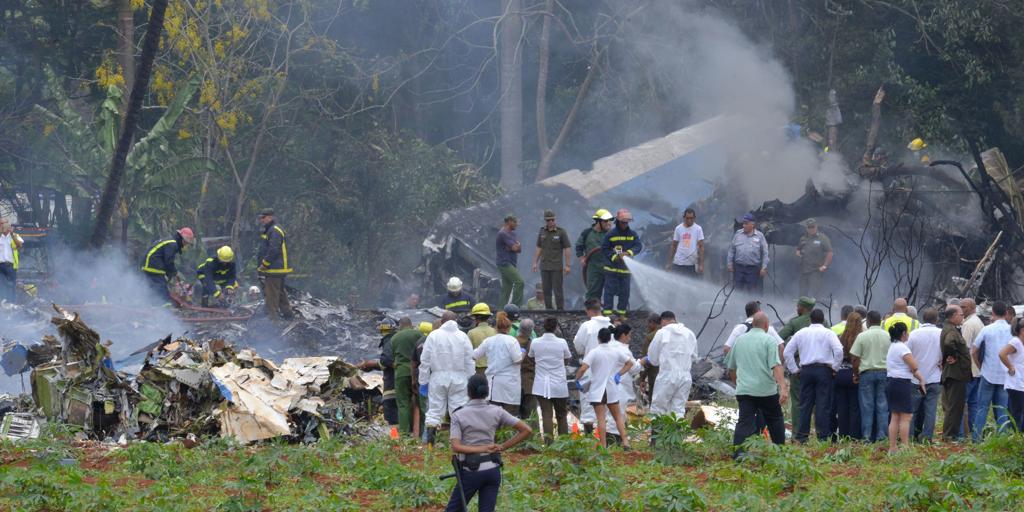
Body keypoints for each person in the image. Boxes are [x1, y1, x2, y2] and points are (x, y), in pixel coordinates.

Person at [444, 374, 532, 512]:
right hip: (492, 470)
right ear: (486, 391)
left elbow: (456, 447)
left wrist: (481, 448)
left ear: (468, 391)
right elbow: (526, 430)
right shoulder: (497, 410)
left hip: (470, 472)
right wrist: (502, 447)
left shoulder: (458, 415)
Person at [726, 312, 788, 451]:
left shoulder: (739, 340)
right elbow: (776, 366)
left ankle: (739, 454)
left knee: (744, 422)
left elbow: (731, 368)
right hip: (766, 390)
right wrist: (783, 387)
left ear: (752, 324)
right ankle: (781, 451)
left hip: (745, 391)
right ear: (766, 325)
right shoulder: (769, 340)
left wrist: (738, 384)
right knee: (775, 419)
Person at [783, 309, 842, 442]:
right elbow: (838, 350)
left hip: (806, 371)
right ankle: (823, 437)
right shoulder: (828, 333)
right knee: (823, 404)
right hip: (824, 371)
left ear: (810, 320)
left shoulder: (801, 333)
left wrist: (794, 370)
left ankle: (802, 437)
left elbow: (787, 352)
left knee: (805, 405)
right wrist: (835, 368)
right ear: (823, 320)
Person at [419, 311, 476, 445]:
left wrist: (423, 381)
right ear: (455, 321)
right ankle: (459, 443)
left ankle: (430, 445)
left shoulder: (433, 335)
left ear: (442, 321)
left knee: (434, 410)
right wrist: (470, 378)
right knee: (459, 410)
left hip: (437, 377)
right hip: (459, 378)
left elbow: (425, 360)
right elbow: (469, 360)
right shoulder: (462, 336)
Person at [575, 327, 635, 449]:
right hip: (612, 388)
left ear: (598, 339)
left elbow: (583, 368)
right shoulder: (616, 351)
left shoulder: (594, 352)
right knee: (618, 416)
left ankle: (603, 445)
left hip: (598, 390)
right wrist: (619, 374)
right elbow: (630, 363)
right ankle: (626, 442)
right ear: (609, 338)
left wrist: (577, 379)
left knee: (601, 419)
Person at [640, 311, 698, 418]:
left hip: (667, 376)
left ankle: (658, 434)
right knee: (678, 409)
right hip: (685, 376)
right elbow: (694, 356)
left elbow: (653, 359)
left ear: (663, 321)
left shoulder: (662, 333)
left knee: (658, 408)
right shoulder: (689, 333)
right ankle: (675, 434)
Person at [971, 301, 1013, 440]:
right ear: (1006, 313)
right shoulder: (1012, 330)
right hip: (1005, 375)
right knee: (1002, 409)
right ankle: (1002, 440)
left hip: (988, 373)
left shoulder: (987, 329)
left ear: (993, 312)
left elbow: (974, 350)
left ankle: (976, 439)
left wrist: (980, 366)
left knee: (982, 408)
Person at [886, 322, 928, 454]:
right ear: (903, 333)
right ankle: (905, 446)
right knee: (906, 416)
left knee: (895, 416)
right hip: (902, 384)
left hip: (891, 382)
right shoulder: (903, 348)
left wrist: (921, 379)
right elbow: (914, 366)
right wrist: (920, 377)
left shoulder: (893, 346)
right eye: (907, 331)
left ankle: (893, 447)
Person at [529, 317, 572, 443]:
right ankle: (564, 444)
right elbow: (567, 359)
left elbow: (531, 357)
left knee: (546, 414)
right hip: (559, 384)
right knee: (561, 414)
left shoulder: (535, 342)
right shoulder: (562, 342)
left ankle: (549, 444)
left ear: (543, 327)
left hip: (541, 384)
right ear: (556, 328)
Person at [572, 298, 611, 432]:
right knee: (608, 403)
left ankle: (588, 437)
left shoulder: (587, 326)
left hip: (590, 369)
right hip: (609, 370)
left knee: (588, 403)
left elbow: (579, 347)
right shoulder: (612, 326)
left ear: (588, 311)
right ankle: (608, 437)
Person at [850, 310, 890, 442]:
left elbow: (855, 358)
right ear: (880, 321)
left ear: (867, 321)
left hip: (866, 374)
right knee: (882, 405)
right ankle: (882, 436)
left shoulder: (862, 336)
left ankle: (867, 436)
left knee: (867, 406)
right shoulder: (887, 335)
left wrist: (856, 373)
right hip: (884, 373)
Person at [472, 312, 523, 415]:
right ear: (508, 328)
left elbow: (474, 355)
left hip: (493, 383)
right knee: (509, 415)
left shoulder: (488, 341)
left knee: (493, 415)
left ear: (496, 328)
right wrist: (524, 353)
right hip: (510, 383)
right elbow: (517, 360)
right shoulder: (512, 341)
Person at [906, 307, 943, 441]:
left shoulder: (914, 334)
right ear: (937, 319)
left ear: (922, 318)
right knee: (930, 410)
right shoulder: (942, 333)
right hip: (934, 377)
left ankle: (909, 437)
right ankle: (927, 437)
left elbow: (906, 354)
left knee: (912, 410)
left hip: (915, 378)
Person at [778, 296, 816, 423]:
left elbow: (779, 338)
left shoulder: (795, 322)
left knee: (798, 400)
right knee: (818, 400)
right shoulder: (823, 322)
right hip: (819, 366)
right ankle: (820, 432)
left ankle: (798, 432)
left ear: (803, 308)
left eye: (798, 306)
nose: (796, 308)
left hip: (800, 365)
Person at [358, 319, 399, 426]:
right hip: (401, 384)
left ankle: (396, 440)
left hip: (393, 386)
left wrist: (372, 365)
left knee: (392, 417)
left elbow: (387, 360)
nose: (384, 333)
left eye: (386, 330)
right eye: (383, 330)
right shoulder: (400, 341)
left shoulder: (389, 339)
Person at [941, 304, 971, 442]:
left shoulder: (950, 328)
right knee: (954, 406)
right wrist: (953, 355)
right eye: (961, 315)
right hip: (955, 373)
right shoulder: (951, 331)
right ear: (953, 316)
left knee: (954, 405)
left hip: (954, 373)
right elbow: (948, 344)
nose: (962, 317)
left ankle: (950, 435)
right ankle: (949, 436)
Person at [257, 209, 294, 319]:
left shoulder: (274, 230)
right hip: (277, 269)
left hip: (274, 269)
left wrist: (264, 264)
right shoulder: (272, 229)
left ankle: (273, 322)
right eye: (260, 218)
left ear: (270, 217)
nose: (261, 220)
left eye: (263, 217)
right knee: (280, 292)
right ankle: (288, 315)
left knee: (271, 296)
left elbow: (273, 250)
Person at [141, 227, 195, 302]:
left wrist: (170, 275)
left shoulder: (171, 241)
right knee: (161, 287)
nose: (186, 246)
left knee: (153, 287)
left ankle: (150, 304)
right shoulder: (173, 244)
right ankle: (165, 308)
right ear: (182, 240)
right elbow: (169, 261)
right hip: (153, 264)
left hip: (149, 263)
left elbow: (167, 261)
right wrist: (174, 272)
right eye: (186, 243)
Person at [532, 210, 571, 310]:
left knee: (558, 290)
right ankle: (548, 309)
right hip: (544, 265)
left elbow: (567, 248)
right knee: (546, 290)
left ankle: (560, 310)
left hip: (556, 266)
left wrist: (567, 265)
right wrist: (535, 262)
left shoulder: (561, 232)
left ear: (555, 219)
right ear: (545, 220)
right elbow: (539, 247)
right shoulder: (542, 231)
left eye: (552, 220)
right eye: (548, 220)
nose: (550, 222)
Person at [833, 312, 863, 440]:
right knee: (855, 407)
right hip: (853, 375)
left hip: (840, 375)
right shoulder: (860, 338)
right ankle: (854, 435)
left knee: (842, 407)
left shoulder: (840, 337)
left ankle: (843, 434)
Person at [390, 317, 421, 435]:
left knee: (403, 403)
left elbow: (394, 357)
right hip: (417, 372)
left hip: (401, 372)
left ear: (400, 325)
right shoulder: (418, 334)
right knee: (421, 403)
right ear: (411, 324)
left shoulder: (394, 338)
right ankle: (422, 432)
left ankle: (404, 434)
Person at [576, 209, 613, 301]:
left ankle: (608, 312)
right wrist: (582, 258)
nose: (608, 223)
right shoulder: (587, 233)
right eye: (605, 221)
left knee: (610, 291)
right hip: (593, 267)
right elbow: (579, 246)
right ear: (598, 221)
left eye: (609, 220)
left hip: (609, 266)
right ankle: (592, 312)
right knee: (593, 292)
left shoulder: (611, 234)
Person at [960, 298, 984, 438]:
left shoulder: (969, 324)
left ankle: (961, 435)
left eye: (964, 307)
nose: (961, 310)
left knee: (961, 403)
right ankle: (975, 434)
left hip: (968, 370)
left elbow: (964, 347)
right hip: (977, 370)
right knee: (973, 403)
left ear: (971, 307)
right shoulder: (979, 321)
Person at [726, 213, 769, 292]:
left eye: (746, 223)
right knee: (737, 291)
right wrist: (729, 264)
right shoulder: (738, 234)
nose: (743, 226)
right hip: (739, 268)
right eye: (743, 223)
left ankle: (751, 304)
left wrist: (764, 267)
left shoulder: (760, 236)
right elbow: (731, 250)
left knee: (752, 292)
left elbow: (765, 253)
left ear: (752, 224)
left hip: (753, 270)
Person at [795, 219, 832, 298]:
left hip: (816, 270)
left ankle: (817, 309)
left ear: (816, 226)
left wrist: (825, 266)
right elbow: (798, 250)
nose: (811, 229)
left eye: (813, 227)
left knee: (816, 294)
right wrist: (799, 253)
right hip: (804, 270)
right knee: (802, 294)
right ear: (806, 228)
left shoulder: (822, 238)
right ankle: (803, 309)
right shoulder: (803, 238)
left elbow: (830, 253)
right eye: (809, 227)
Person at [998, 317, 1024, 431]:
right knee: (1016, 413)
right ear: (1022, 330)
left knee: (1017, 412)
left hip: (1020, 383)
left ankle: (1017, 436)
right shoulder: (1016, 342)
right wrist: (1010, 367)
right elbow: (1002, 353)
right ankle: (1015, 436)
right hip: (1015, 383)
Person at [665, 208, 705, 276]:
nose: (689, 220)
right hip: (678, 262)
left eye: (691, 218)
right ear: (684, 217)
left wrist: (701, 264)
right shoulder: (678, 228)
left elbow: (701, 247)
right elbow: (674, 246)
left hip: (691, 263)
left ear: (694, 218)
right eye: (687, 218)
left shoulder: (698, 229)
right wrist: (669, 263)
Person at [411, 321, 433, 437]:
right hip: (434, 376)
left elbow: (414, 363)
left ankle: (424, 434)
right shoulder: (435, 340)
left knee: (423, 405)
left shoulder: (418, 343)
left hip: (421, 377)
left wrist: (413, 380)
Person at [496, 215, 524, 306]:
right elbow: (516, 248)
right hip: (505, 263)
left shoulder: (512, 234)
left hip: (511, 263)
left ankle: (501, 310)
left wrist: (516, 247)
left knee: (506, 288)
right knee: (519, 282)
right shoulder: (503, 233)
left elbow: (519, 250)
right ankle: (516, 307)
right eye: (515, 222)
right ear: (509, 222)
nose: (517, 224)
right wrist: (515, 247)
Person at [515, 318, 538, 425]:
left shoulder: (512, 342)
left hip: (514, 382)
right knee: (531, 416)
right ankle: (533, 439)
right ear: (531, 330)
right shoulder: (534, 344)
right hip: (530, 383)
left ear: (519, 329)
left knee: (514, 416)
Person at [467, 303, 497, 376]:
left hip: (477, 370)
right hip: (493, 369)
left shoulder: (471, 333)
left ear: (476, 318)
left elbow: (468, 353)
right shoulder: (495, 331)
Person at [640, 313, 662, 404]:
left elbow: (647, 359)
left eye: (648, 324)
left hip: (654, 373)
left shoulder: (651, 337)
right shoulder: (669, 334)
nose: (647, 326)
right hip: (670, 373)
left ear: (652, 323)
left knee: (654, 400)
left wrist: (642, 377)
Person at [0, 220, 23, 303]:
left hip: (10, 266)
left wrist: (12, 234)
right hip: (0, 266)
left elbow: (19, 245)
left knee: (11, 286)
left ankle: (11, 305)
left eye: (3, 226)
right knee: (1, 286)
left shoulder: (15, 236)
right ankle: (2, 305)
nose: (2, 228)